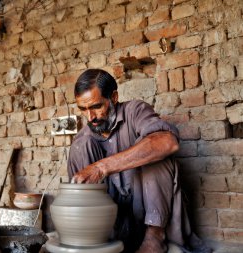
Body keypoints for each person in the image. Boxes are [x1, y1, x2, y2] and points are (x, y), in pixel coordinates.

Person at [68, 69, 210, 253]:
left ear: (114, 97)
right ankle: (98, 240)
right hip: (111, 223)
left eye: (96, 106)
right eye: (83, 109)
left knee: (156, 151)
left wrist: (102, 167)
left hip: (152, 213)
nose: (90, 117)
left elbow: (168, 142)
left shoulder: (134, 111)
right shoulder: (83, 139)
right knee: (81, 145)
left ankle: (155, 239)